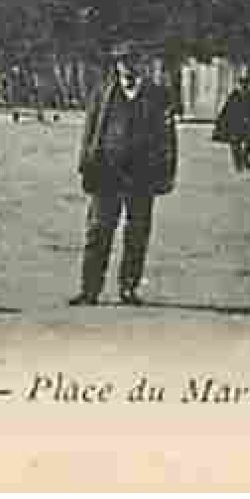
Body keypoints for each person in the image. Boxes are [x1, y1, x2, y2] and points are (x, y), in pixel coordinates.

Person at [71, 41, 177, 307]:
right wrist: (86, 164)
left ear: (141, 63)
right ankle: (90, 290)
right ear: (116, 65)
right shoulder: (102, 94)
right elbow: (90, 132)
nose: (128, 66)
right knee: (98, 231)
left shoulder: (157, 95)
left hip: (142, 174)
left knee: (137, 233)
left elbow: (168, 137)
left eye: (133, 61)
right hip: (107, 171)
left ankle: (128, 288)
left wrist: (167, 171)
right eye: (123, 61)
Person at [212, 70, 250, 174]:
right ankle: (238, 163)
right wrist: (221, 122)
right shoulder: (234, 96)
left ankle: (244, 157)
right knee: (235, 144)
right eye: (242, 85)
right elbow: (226, 110)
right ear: (239, 85)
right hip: (235, 124)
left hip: (249, 124)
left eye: (245, 85)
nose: (243, 87)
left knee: (249, 143)